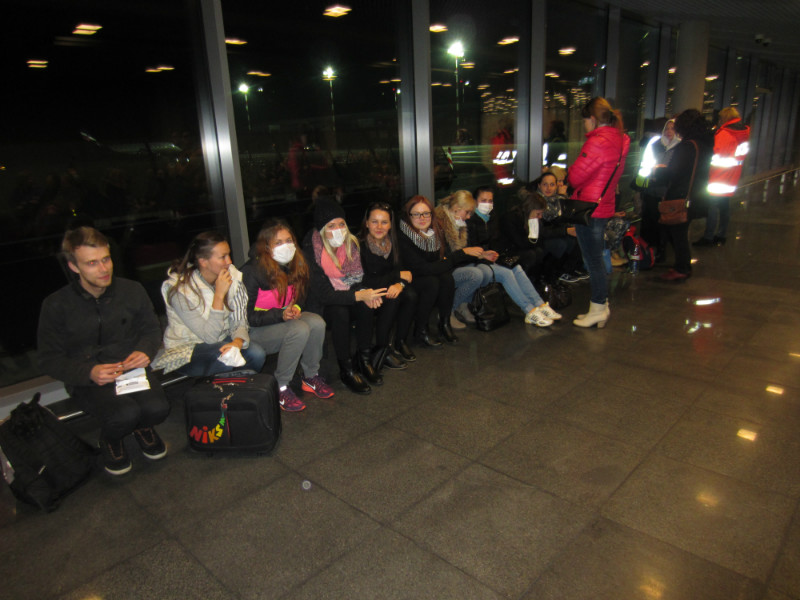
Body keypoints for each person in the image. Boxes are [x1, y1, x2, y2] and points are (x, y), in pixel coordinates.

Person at [37, 226, 170, 476]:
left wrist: (144, 351)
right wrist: (89, 372)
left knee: (158, 409)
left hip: (130, 370)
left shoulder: (132, 290)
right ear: (74, 266)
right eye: (92, 263)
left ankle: (142, 427)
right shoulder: (56, 305)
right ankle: (111, 439)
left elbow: (151, 329)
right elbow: (48, 359)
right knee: (124, 414)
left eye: (106, 259)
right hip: (88, 378)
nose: (103, 269)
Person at [241, 219, 334, 413]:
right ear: (266, 247)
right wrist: (281, 315)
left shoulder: (295, 264)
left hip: (282, 320)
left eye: (289, 240)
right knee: (299, 329)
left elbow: (300, 296)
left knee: (317, 323)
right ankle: (281, 386)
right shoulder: (252, 272)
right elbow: (247, 317)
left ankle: (311, 376)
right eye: (278, 242)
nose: (286, 246)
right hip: (255, 330)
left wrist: (297, 307)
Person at [302, 198, 387, 395]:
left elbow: (356, 281)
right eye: (331, 226)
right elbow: (324, 295)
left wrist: (366, 294)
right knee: (340, 311)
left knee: (366, 304)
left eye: (341, 224)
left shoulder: (350, 245)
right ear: (322, 229)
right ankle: (346, 368)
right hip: (320, 305)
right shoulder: (310, 251)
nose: (338, 230)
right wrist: (359, 295)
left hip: (344, 294)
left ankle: (364, 359)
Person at [152, 232, 267, 377]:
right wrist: (219, 295)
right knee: (223, 358)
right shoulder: (180, 290)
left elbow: (240, 321)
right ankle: (222, 388)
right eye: (223, 257)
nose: (229, 261)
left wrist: (237, 342)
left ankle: (240, 387)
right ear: (203, 261)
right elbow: (210, 337)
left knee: (256, 354)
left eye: (229, 254)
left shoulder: (233, 276)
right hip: (187, 349)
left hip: (221, 340)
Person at [567, 97, 630, 328]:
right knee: (597, 258)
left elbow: (575, 177)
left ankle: (598, 308)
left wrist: (570, 172)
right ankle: (601, 306)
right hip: (603, 204)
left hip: (588, 207)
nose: (584, 126)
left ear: (593, 119)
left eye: (585, 120)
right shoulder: (621, 139)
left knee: (593, 260)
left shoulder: (598, 142)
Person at [466, 187, 561, 326]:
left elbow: (496, 241)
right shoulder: (469, 220)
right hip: (477, 260)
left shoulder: (492, 217)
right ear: (475, 201)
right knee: (506, 273)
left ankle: (539, 304)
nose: (487, 204)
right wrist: (484, 254)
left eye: (490, 201)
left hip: (492, 256)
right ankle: (529, 310)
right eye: (483, 200)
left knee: (516, 268)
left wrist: (496, 254)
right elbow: (470, 247)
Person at [651, 109, 713, 281]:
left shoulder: (687, 147)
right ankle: (682, 265)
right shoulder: (704, 145)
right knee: (680, 232)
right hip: (695, 194)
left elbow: (675, 172)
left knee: (677, 232)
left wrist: (658, 172)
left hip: (681, 195)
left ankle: (682, 268)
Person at [359, 202, 417, 369]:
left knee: (410, 295)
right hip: (366, 290)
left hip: (387, 285)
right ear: (367, 223)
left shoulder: (393, 242)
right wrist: (396, 277)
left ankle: (399, 341)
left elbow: (405, 272)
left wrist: (400, 284)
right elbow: (365, 280)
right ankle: (382, 349)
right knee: (392, 298)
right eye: (374, 221)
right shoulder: (359, 245)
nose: (379, 227)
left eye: (384, 222)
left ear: (390, 225)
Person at [397, 195, 459, 347]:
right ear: (408, 216)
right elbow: (420, 268)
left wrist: (446, 262)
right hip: (408, 278)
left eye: (426, 213)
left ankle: (444, 323)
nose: (422, 218)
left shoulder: (436, 231)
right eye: (416, 214)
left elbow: (441, 260)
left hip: (428, 273)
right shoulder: (403, 235)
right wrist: (450, 261)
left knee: (447, 278)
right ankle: (421, 330)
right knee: (432, 282)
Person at [695, 106, 750, 246]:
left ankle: (708, 237)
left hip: (718, 176)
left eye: (720, 118)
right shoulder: (743, 134)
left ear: (724, 118)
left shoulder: (725, 134)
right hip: (732, 176)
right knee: (725, 206)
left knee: (712, 207)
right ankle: (722, 235)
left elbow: (715, 154)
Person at [633, 119, 679, 259]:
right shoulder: (656, 145)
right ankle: (647, 248)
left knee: (663, 221)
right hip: (651, 187)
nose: (669, 131)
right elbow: (645, 165)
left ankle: (661, 249)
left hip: (667, 190)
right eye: (667, 128)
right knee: (650, 218)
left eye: (672, 128)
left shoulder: (680, 147)